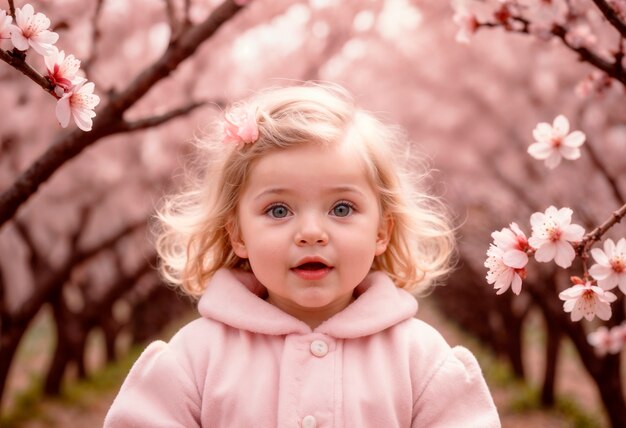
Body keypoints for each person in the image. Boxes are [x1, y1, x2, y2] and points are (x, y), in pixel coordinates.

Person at [104, 83, 500, 427]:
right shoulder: (195, 360)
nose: (311, 233)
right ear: (238, 234)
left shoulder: (421, 361)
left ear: (382, 231)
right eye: (279, 210)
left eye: (341, 208)